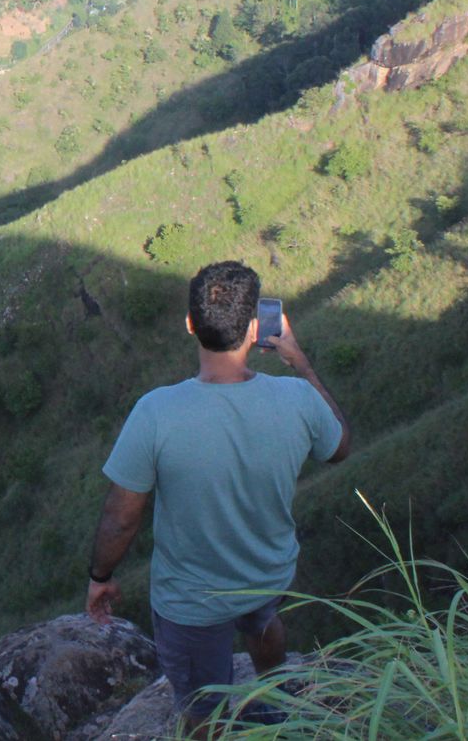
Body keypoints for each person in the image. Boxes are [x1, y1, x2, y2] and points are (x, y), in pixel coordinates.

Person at [83, 260, 351, 733]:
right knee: (263, 620)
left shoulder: (156, 413)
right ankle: (274, 691)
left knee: (201, 708)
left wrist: (100, 576)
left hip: (193, 600)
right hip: (268, 571)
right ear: (255, 328)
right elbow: (339, 447)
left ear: (190, 325)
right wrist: (302, 363)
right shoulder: (298, 399)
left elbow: (121, 518)